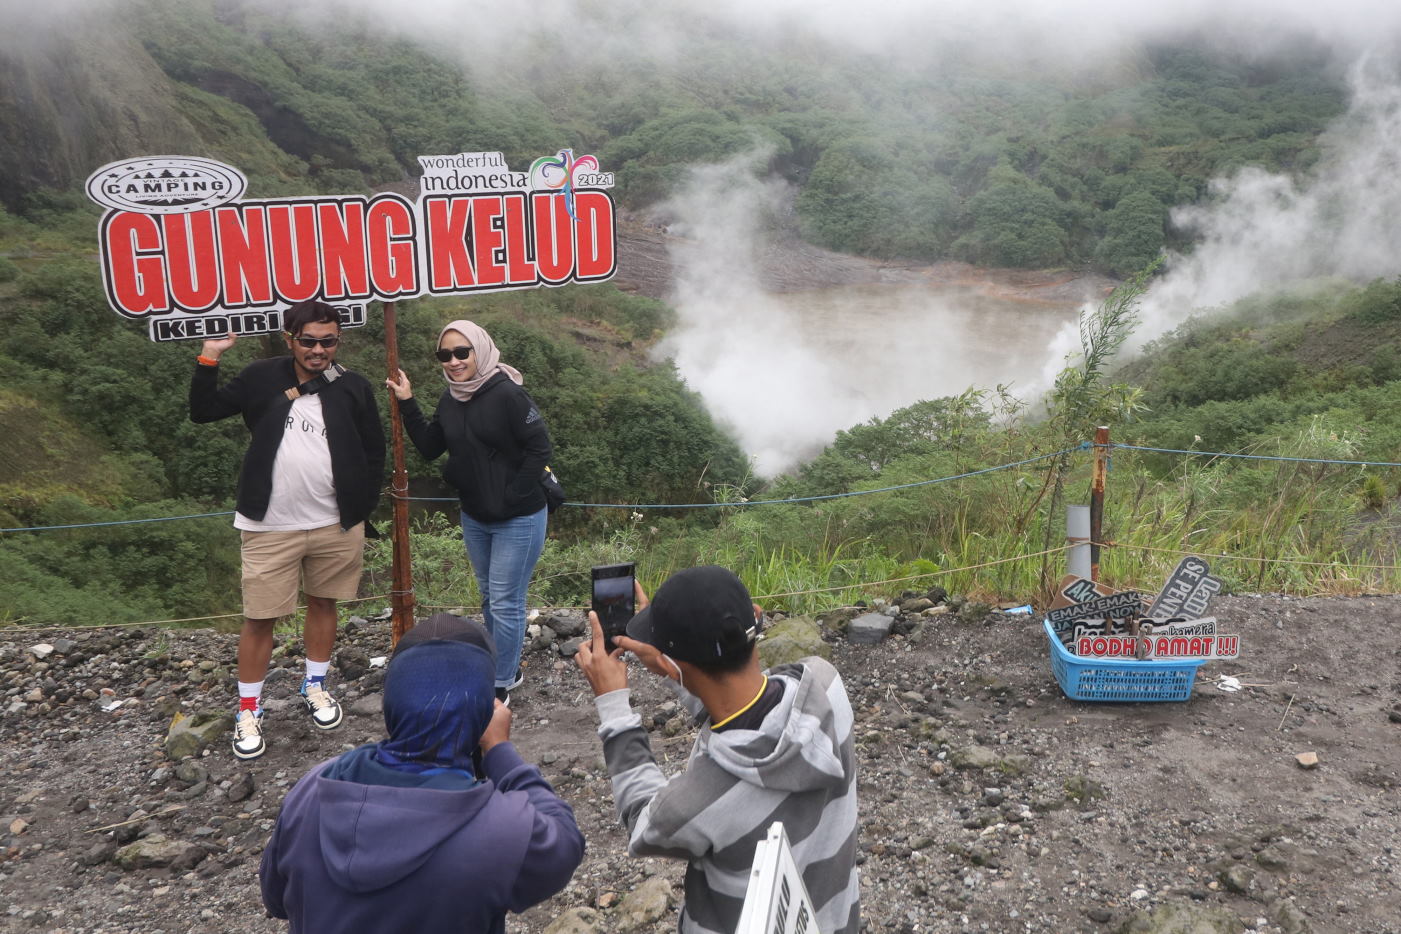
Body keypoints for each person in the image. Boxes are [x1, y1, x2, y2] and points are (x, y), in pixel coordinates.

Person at [574, 565, 860, 934]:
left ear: (674, 662)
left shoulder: (694, 801)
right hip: (834, 919)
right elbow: (745, 700)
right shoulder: (825, 683)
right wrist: (674, 668)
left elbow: (641, 821)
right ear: (754, 618)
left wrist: (613, 705)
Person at [259, 613, 585, 934]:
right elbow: (565, 843)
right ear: (483, 714)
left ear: (391, 706)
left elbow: (276, 900)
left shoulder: (312, 789)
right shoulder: (500, 832)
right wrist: (499, 750)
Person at [190, 299, 385, 760]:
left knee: (324, 602)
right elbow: (204, 410)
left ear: (339, 339)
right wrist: (210, 357)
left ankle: (315, 685)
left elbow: (373, 449)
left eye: (328, 341)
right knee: (260, 619)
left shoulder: (354, 386)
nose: (318, 350)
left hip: (334, 523)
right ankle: (248, 709)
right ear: (290, 338)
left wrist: (361, 503)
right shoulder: (262, 376)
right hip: (269, 523)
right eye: (309, 341)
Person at [385, 320, 551, 702]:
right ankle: (501, 666)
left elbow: (539, 449)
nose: (454, 361)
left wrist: (512, 495)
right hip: (476, 515)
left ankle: (501, 684)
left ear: (481, 350)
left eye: (463, 352)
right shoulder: (451, 398)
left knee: (507, 600)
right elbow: (430, 446)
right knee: (490, 597)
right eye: (446, 355)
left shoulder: (508, 394)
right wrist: (408, 402)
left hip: (519, 517)